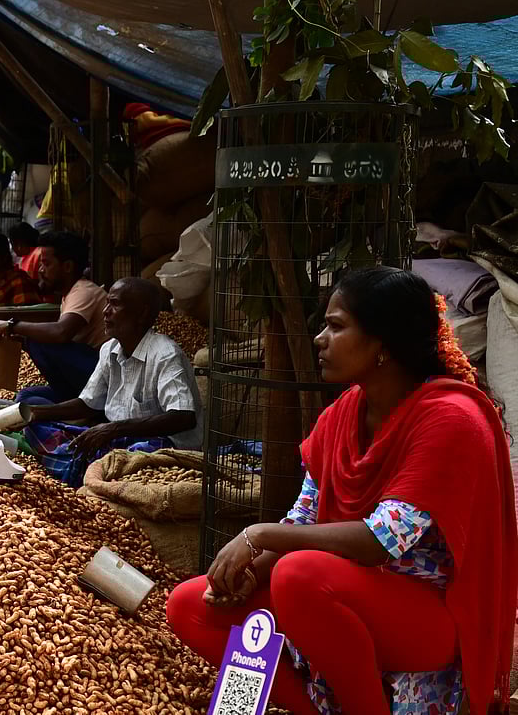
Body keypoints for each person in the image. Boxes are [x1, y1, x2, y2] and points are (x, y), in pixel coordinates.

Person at [167, 266, 518, 715]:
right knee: (189, 606)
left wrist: (261, 536)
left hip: (424, 619)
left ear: (383, 344)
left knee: (299, 575)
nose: (319, 338)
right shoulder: (342, 414)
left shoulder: (451, 419)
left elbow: (379, 541)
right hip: (334, 598)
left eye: (336, 326)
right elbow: (303, 518)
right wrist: (253, 572)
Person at [21, 278, 202, 486]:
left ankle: (81, 468)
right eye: (107, 303)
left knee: (124, 457)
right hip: (120, 438)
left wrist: (112, 429)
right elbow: (87, 403)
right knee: (37, 429)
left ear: (141, 314)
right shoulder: (109, 349)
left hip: (166, 446)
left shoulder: (165, 354)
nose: (105, 311)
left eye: (115, 304)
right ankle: (84, 467)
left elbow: (184, 417)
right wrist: (32, 413)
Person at [0, 231, 107, 403]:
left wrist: (13, 325)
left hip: (101, 377)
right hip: (85, 377)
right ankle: (71, 411)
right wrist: (19, 339)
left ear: (67, 267)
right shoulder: (70, 295)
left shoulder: (84, 291)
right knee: (25, 398)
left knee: (39, 341)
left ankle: (82, 412)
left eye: (46, 264)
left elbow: (60, 333)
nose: (41, 270)